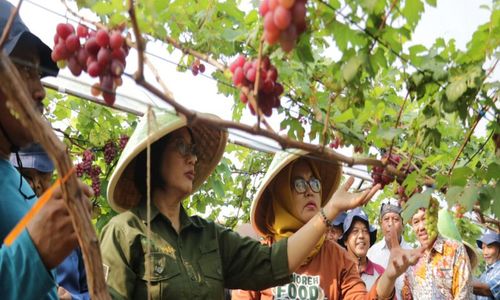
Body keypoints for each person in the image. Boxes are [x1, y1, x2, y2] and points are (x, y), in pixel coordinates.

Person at [99, 109, 381, 299]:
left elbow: (273, 262)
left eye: (195, 151)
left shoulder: (210, 237)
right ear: (153, 155)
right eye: (182, 147)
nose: (193, 159)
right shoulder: (124, 233)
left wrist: (329, 211)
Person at [232, 150, 423, 300]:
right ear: (281, 194)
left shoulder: (338, 258)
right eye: (299, 184)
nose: (310, 192)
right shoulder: (260, 255)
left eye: (314, 183)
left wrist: (389, 277)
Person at [0, 1, 92, 299]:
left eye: (39, 75)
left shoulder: (11, 179)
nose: (40, 90)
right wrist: (35, 249)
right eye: (25, 71)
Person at [10, 143, 90, 300]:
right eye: (25, 175)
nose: (35, 185)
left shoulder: (70, 226)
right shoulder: (7, 223)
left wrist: (74, 299)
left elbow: (94, 290)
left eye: (42, 175)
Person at [401, 202, 472, 299]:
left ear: (435, 219)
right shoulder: (412, 260)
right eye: (416, 222)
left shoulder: (454, 250)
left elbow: (463, 294)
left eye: (425, 219)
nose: (421, 227)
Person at [367, 199, 413, 299]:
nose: (390, 224)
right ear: (381, 224)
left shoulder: (412, 253)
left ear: (403, 224)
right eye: (386, 219)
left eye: (395, 219)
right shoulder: (371, 253)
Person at [339, 207, 385, 290]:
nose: (361, 236)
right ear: (345, 240)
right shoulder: (336, 272)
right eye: (355, 231)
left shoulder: (381, 273)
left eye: (365, 231)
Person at [473, 231, 500, 300]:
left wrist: (460, 281)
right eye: (483, 248)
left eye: (489, 247)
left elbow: (488, 290)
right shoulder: (484, 275)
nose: (485, 253)